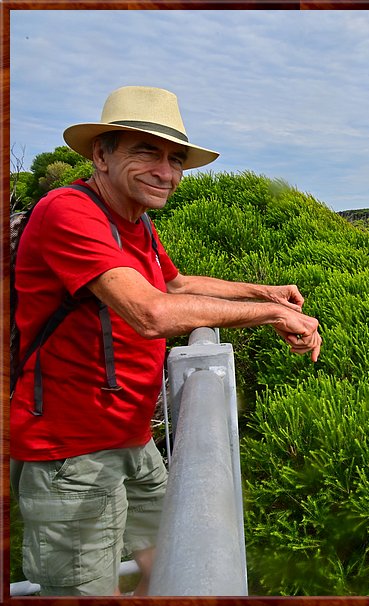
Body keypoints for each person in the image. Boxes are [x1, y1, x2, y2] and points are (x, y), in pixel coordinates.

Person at [9, 85, 322, 596]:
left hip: (131, 438)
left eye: (175, 159)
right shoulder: (68, 211)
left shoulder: (135, 221)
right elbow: (150, 312)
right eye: (146, 152)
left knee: (172, 573)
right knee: (86, 590)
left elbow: (173, 284)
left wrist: (261, 290)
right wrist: (268, 315)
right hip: (72, 455)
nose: (166, 172)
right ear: (101, 154)